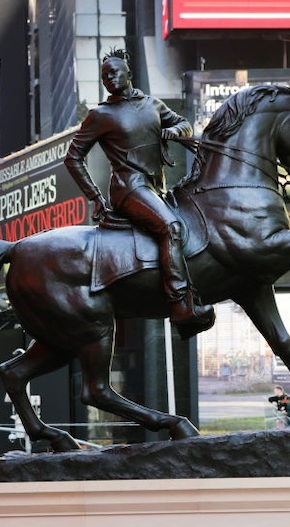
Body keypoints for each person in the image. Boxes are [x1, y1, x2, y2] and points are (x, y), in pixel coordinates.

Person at [64, 48, 213, 336]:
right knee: (171, 227)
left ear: (129, 73)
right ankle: (182, 306)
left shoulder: (152, 105)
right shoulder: (100, 115)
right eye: (105, 75)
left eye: (115, 72)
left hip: (156, 187)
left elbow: (184, 124)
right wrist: (95, 197)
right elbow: (72, 157)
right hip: (128, 189)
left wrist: (174, 132)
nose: (109, 77)